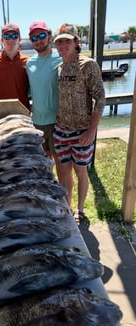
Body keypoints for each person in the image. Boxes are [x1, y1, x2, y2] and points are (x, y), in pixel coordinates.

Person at [53, 24, 106, 224]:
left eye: (68, 40)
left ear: (77, 42)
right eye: (60, 42)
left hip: (82, 131)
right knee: (64, 171)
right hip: (61, 131)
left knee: (81, 170)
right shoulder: (59, 67)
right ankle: (66, 206)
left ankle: (80, 209)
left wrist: (92, 131)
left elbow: (100, 98)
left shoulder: (88, 65)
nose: (63, 45)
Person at [26, 20, 62, 178]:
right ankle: (50, 195)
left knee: (62, 166)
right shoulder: (29, 63)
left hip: (57, 123)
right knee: (45, 164)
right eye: (34, 38)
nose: (38, 40)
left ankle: (64, 202)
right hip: (37, 123)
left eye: (41, 35)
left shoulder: (60, 59)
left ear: (49, 36)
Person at [0, 23, 30, 110]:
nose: (11, 40)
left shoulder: (28, 61)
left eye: (14, 36)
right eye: (7, 36)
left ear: (20, 39)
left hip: (22, 111)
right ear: (1, 40)